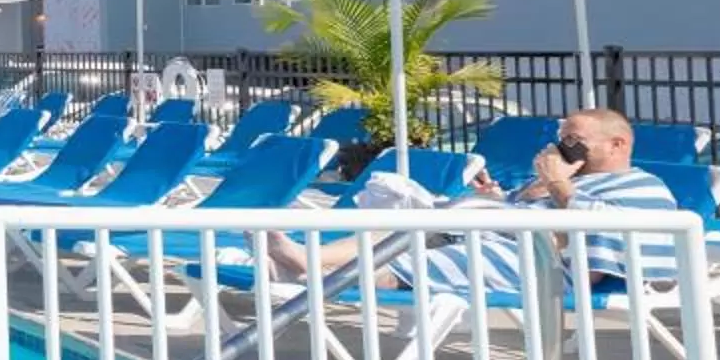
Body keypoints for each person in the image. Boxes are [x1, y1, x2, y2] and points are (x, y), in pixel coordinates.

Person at [265, 107, 679, 287]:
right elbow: (532, 210)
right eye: (561, 138)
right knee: (403, 229)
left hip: (547, 270)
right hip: (503, 236)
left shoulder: (642, 188)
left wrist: (556, 185)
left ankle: (317, 279)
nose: (564, 146)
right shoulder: (574, 177)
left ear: (617, 144)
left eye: (575, 140)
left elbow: (604, 238)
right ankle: (308, 261)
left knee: (427, 260)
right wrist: (507, 196)